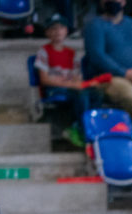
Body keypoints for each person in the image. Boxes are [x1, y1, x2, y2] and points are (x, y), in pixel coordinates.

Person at [35, 13, 101, 149]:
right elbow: (45, 79)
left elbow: (77, 76)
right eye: (53, 29)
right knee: (80, 94)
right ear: (47, 32)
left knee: (96, 93)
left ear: (66, 31)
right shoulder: (44, 52)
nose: (57, 31)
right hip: (54, 89)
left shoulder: (72, 53)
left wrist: (78, 83)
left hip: (71, 86)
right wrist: (70, 84)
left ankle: (91, 126)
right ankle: (84, 132)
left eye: (60, 28)